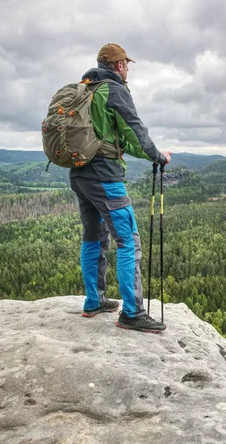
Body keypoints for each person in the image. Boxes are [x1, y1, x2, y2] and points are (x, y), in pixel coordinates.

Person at [71, 43, 171, 332]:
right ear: (118, 65)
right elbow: (136, 132)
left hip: (79, 174)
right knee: (129, 242)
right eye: (126, 64)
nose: (127, 69)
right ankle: (132, 312)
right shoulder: (114, 90)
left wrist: (151, 153)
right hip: (105, 177)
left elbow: (121, 142)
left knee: (93, 236)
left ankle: (94, 300)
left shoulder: (86, 89)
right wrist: (158, 156)